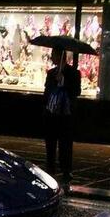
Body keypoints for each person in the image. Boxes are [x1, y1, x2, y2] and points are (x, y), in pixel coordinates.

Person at [43, 47, 81, 184]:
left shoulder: (74, 73)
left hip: (66, 114)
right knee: (51, 143)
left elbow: (76, 91)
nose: (52, 57)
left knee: (65, 143)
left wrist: (63, 82)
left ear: (60, 56)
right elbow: (47, 90)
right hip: (52, 113)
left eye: (53, 54)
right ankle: (50, 168)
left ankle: (66, 169)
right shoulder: (51, 72)